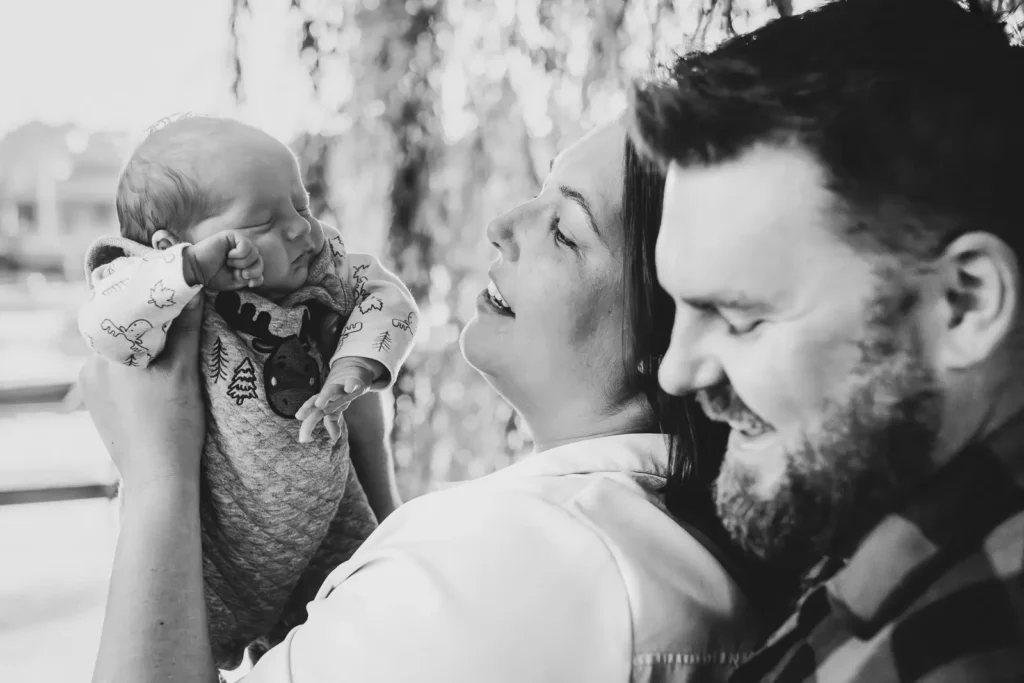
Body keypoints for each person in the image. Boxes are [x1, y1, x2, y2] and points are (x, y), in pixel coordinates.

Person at [79, 117, 773, 683]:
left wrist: (156, 478)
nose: (504, 222)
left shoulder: (520, 559)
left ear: (677, 332)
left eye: (566, 228)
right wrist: (365, 446)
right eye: (539, 191)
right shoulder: (656, 531)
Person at [629, 0, 1024, 680]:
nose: (676, 371)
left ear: (964, 303)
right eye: (679, 306)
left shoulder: (968, 650)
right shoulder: (881, 539)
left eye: (739, 316)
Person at [77, 115, 420, 667]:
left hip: (332, 525)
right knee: (173, 655)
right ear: (177, 246)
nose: (301, 230)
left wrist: (353, 367)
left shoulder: (321, 270)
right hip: (214, 554)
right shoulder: (160, 294)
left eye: (302, 205)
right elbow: (103, 325)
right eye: (264, 220)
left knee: (374, 633)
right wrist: (187, 271)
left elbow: (388, 296)